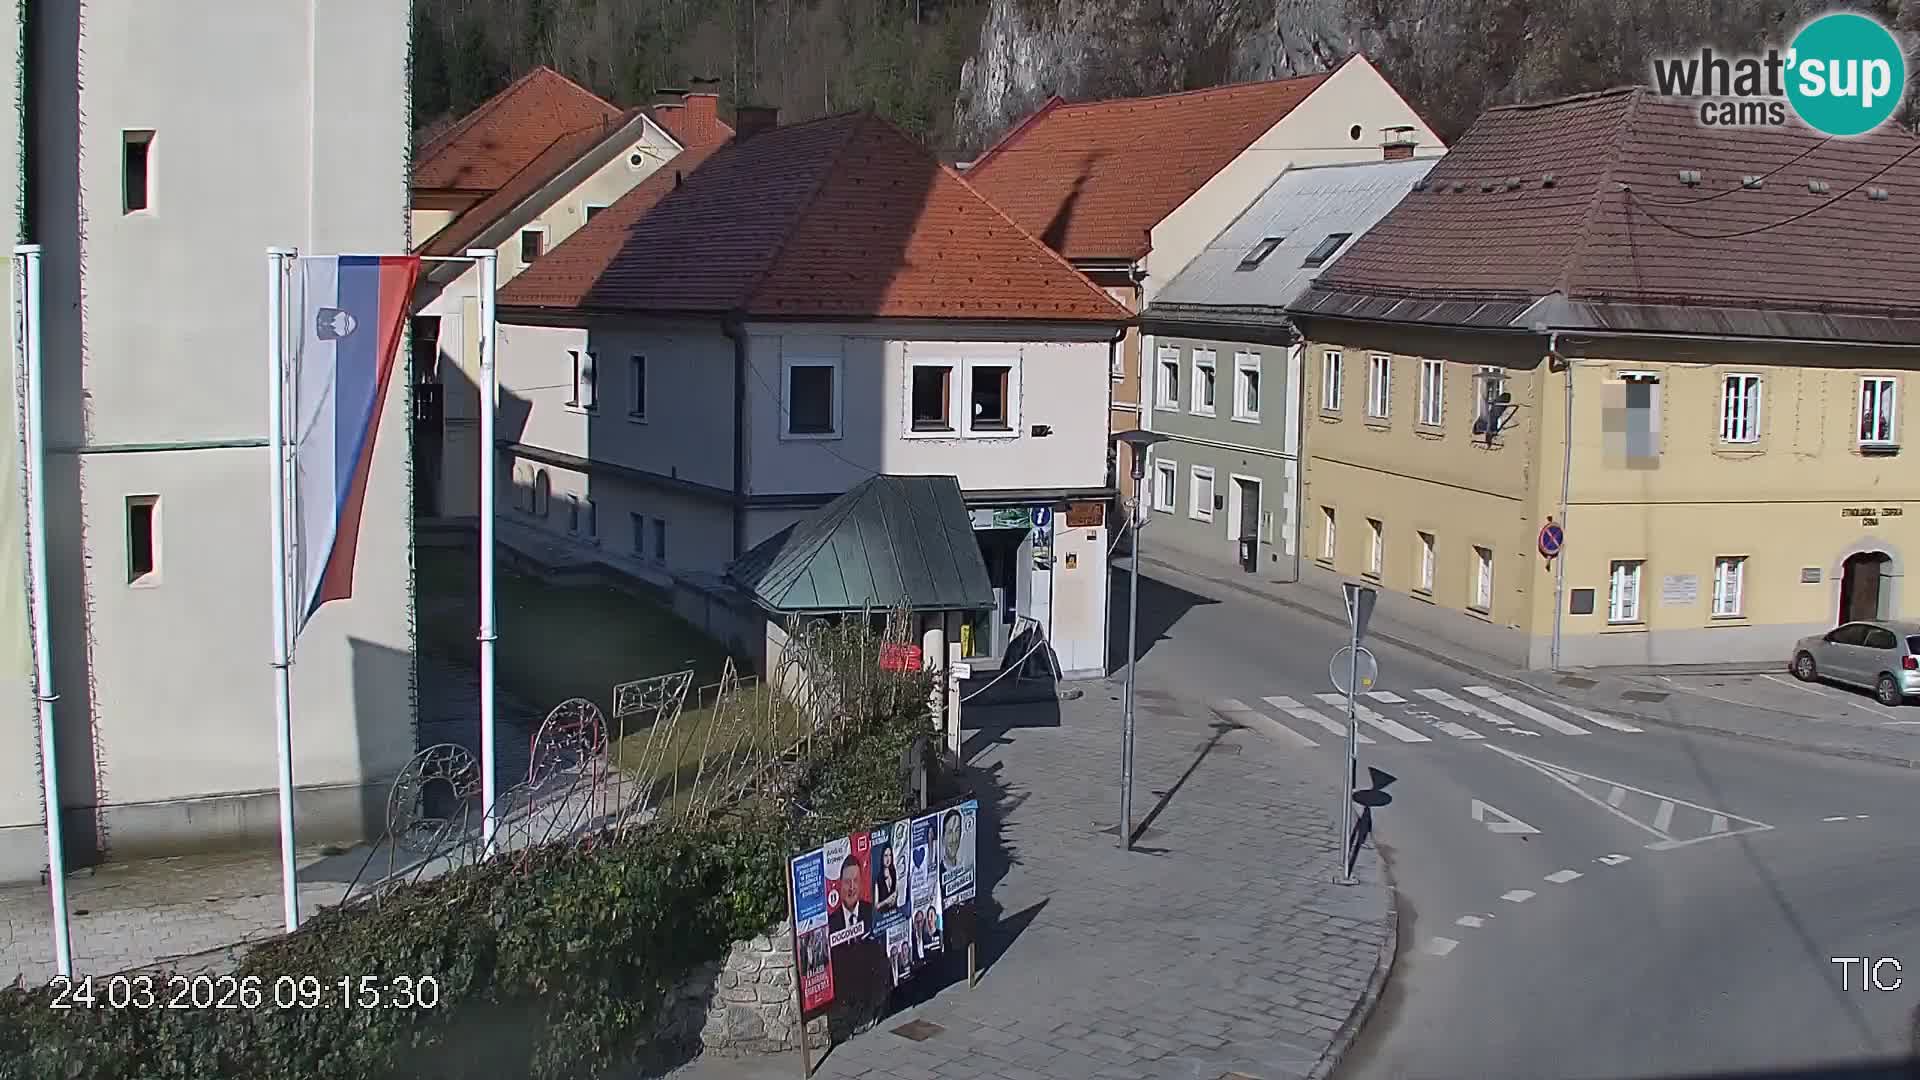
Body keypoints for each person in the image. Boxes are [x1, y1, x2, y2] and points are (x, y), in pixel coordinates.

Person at [827, 855, 872, 938]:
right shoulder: (831, 922)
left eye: (855, 880)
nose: (852, 887)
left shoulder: (871, 912)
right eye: (847, 881)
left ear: (860, 883)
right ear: (840, 884)